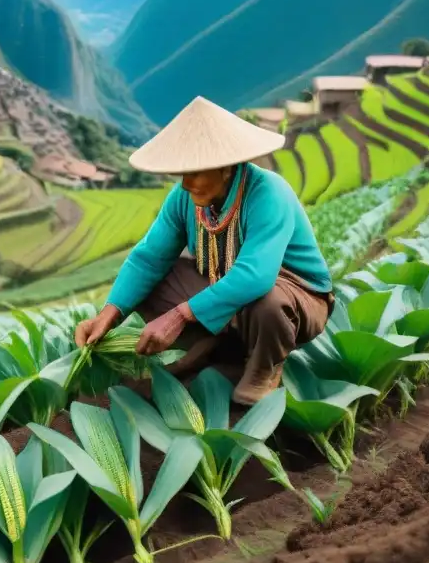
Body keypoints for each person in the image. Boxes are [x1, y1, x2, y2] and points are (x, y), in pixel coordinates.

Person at [74, 96, 334, 405]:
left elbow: (256, 276)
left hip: (294, 295)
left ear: (225, 168)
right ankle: (223, 349)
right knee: (155, 279)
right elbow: (149, 257)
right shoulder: (184, 199)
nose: (186, 184)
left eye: (195, 172)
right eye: (183, 173)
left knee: (268, 301)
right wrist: (110, 313)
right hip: (226, 289)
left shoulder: (269, 193)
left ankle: (266, 365)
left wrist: (179, 316)